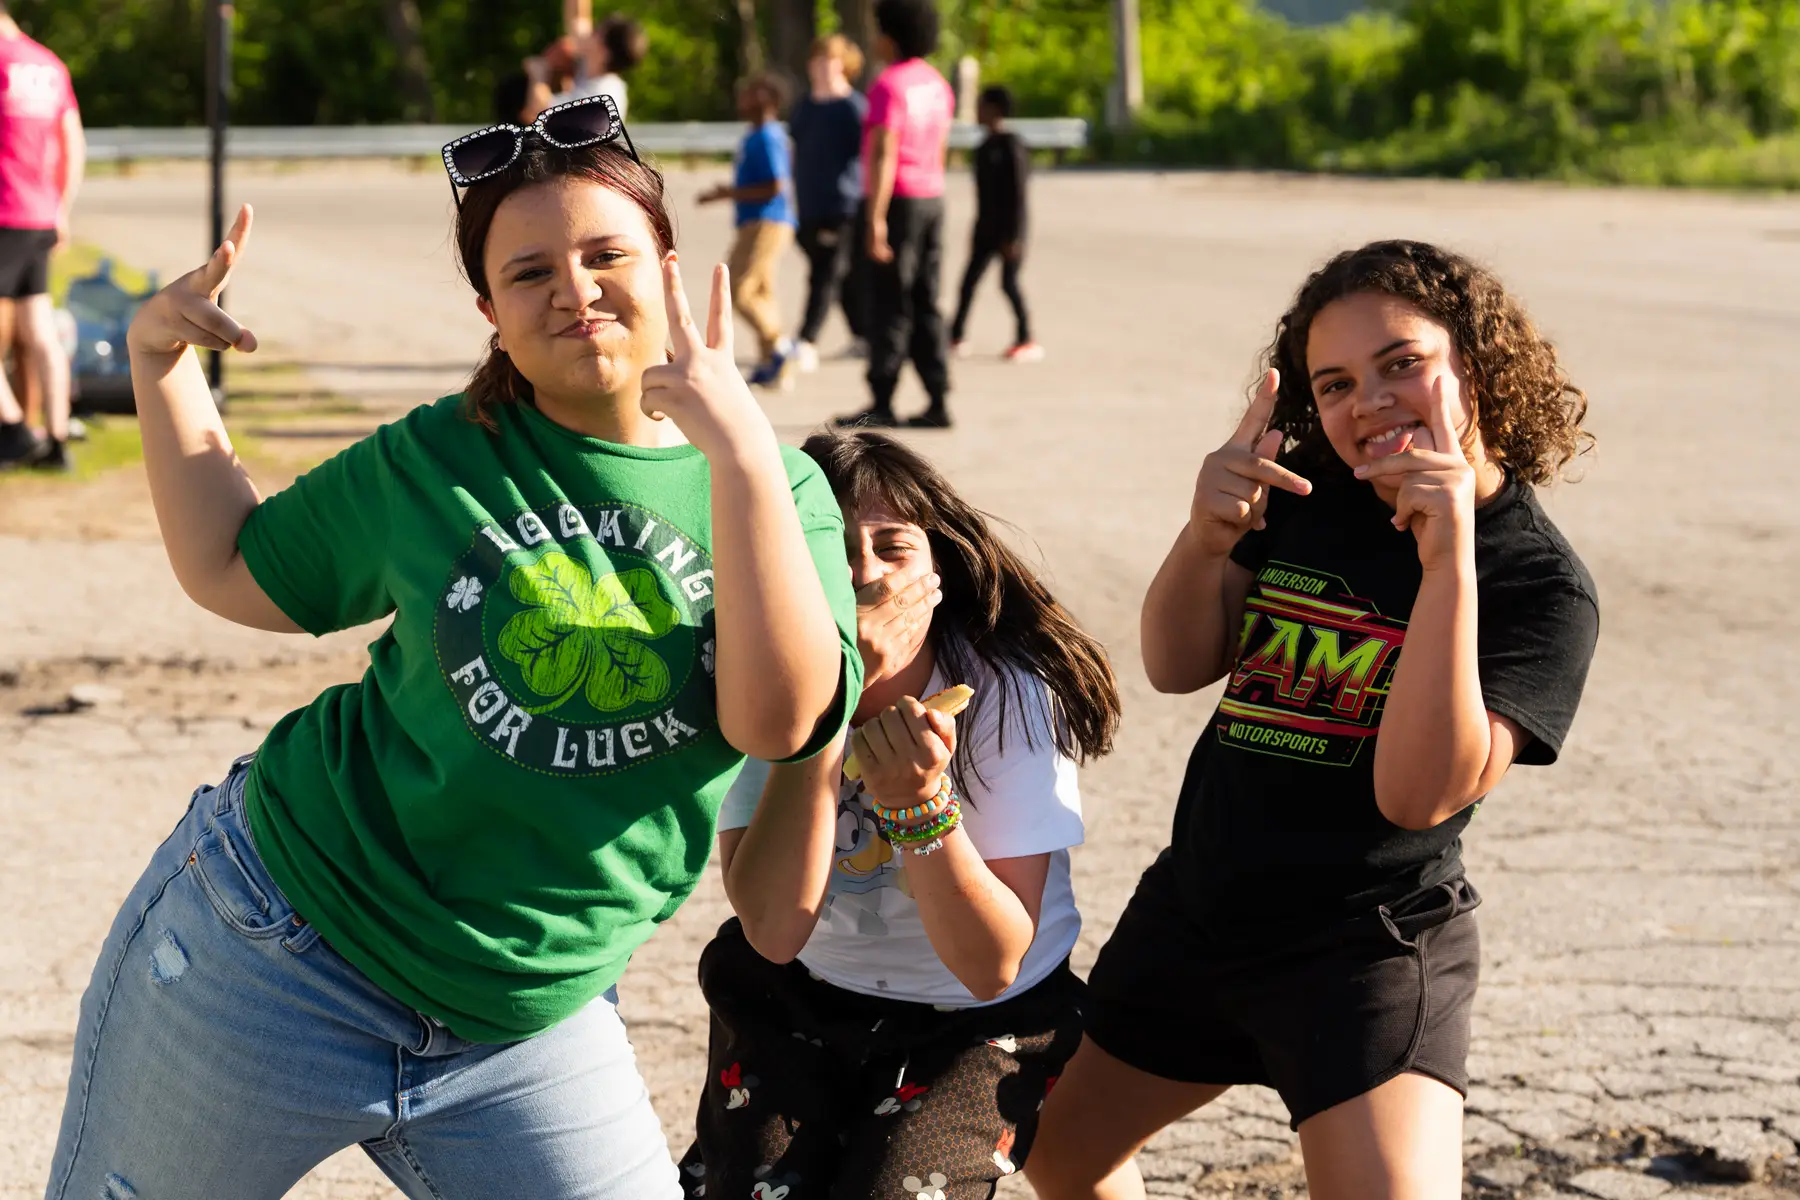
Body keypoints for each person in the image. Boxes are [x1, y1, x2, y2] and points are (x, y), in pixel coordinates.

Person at [46, 99, 861, 1200]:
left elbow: (774, 722)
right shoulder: (441, 456)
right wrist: (161, 365)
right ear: (490, 310)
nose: (573, 289)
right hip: (274, 954)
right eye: (529, 274)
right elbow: (234, 566)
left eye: (606, 253)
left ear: (669, 263)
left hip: (528, 1022)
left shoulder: (785, 489)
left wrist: (745, 462)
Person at [1027, 240, 1602, 1200]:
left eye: (1402, 364)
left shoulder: (1536, 581)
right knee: (1054, 1154)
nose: (1367, 400)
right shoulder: (1307, 494)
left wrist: (1447, 560)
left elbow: (1416, 795)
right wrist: (1206, 536)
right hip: (1201, 911)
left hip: (1364, 950)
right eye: (1333, 384)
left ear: (1478, 363)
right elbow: (1178, 663)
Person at [679, 428, 1122, 1200]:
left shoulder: (1005, 692)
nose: (865, 575)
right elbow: (777, 931)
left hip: (975, 1019)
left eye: (893, 548)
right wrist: (834, 697)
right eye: (834, 548)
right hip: (805, 989)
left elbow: (990, 967)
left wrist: (921, 807)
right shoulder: (754, 678)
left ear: (938, 573)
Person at [837, 0, 955, 430]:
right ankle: (938, 395)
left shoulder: (889, 85)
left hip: (899, 200)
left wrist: (876, 217)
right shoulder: (938, 84)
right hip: (932, 198)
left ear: (891, 36)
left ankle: (882, 397)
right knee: (925, 297)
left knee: (887, 299)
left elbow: (884, 153)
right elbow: (941, 146)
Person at [0, 0, 83, 471]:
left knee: (31, 328)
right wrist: (61, 210)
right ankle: (56, 439)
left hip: (4, 211)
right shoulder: (48, 63)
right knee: (40, 328)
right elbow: (74, 142)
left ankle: (12, 429)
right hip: (40, 215)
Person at [699, 73, 800, 390]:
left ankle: (781, 346)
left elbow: (775, 185)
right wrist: (725, 193)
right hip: (753, 221)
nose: (741, 98)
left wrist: (730, 194)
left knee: (739, 290)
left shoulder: (769, 136)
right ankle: (773, 364)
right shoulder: (753, 135)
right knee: (761, 292)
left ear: (767, 100)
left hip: (767, 222)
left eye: (750, 93)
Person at [788, 34, 869, 373]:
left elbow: (871, 153)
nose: (819, 67)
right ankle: (864, 335)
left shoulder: (854, 108)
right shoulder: (804, 107)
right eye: (815, 59)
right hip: (808, 204)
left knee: (826, 273)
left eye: (828, 60)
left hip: (844, 205)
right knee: (839, 275)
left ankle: (806, 340)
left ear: (844, 66)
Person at [950, 85, 1040, 364]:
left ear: (995, 110)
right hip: (985, 231)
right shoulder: (983, 147)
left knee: (1008, 283)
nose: (977, 111)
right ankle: (956, 335)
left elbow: (1019, 195)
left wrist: (1015, 236)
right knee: (968, 283)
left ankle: (1026, 337)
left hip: (1009, 232)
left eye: (981, 106)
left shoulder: (1012, 146)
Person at [525, 4, 647, 123]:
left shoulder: (603, 95)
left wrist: (538, 77)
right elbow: (577, 20)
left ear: (604, 52)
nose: (590, 32)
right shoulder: (591, 70)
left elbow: (539, 113)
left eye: (596, 31)